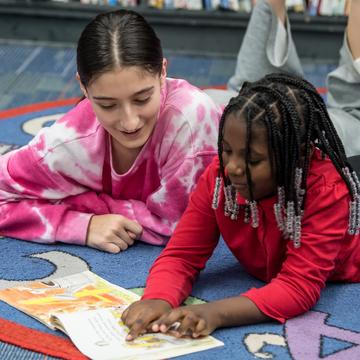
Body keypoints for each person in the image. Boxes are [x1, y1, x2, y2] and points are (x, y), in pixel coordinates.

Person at [121, 0, 360, 339]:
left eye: (252, 160)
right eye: (227, 150)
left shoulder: (325, 190)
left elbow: (298, 288)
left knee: (352, 101)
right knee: (247, 93)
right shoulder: (219, 176)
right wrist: (159, 296)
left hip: (347, 239)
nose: (232, 167)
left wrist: (214, 312)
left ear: (299, 159)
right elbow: (182, 255)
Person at [0, 9, 221, 253]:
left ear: (163, 73)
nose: (129, 123)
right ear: (83, 87)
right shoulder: (68, 141)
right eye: (108, 105)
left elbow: (184, 224)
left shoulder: (193, 119)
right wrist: (80, 225)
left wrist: (83, 203)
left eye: (142, 99)